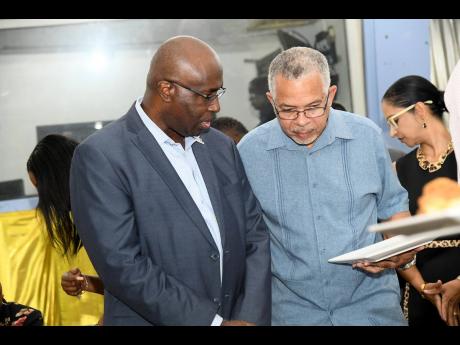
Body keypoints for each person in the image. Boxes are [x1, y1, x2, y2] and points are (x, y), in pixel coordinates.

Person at [69, 36, 271, 326]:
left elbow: (254, 234)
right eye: (207, 95)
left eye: (219, 92)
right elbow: (123, 266)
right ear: (166, 90)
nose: (216, 106)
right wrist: (212, 324)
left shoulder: (220, 147)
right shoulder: (101, 157)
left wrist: (250, 317)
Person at [237, 46, 419, 325]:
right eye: (287, 110)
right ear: (271, 101)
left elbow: (394, 209)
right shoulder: (250, 152)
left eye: (313, 107)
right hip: (292, 312)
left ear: (331, 95)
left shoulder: (365, 137)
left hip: (371, 308)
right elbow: (245, 240)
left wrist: (401, 249)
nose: (301, 122)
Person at [381, 75, 460, 326]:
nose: (392, 133)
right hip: (419, 298)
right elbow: (392, 241)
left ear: (420, 110)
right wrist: (424, 288)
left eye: (394, 121)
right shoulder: (398, 170)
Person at [27, 134, 105, 324]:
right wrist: (84, 282)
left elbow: (135, 288)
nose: (44, 200)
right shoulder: (92, 210)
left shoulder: (102, 214)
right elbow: (121, 284)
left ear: (54, 180)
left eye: (40, 189)